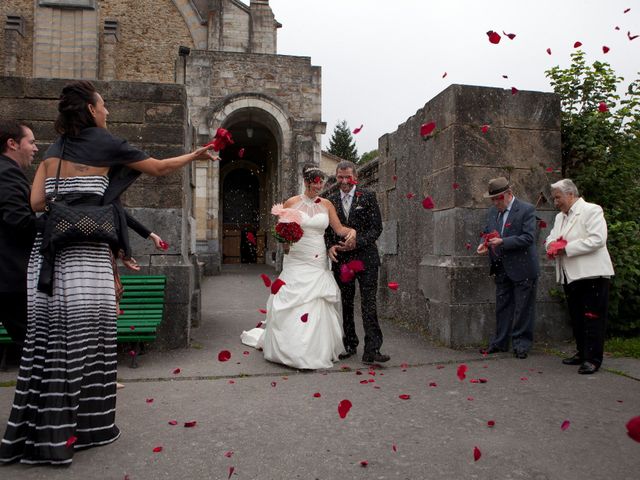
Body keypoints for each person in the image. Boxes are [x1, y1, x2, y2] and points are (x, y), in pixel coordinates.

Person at [0, 80, 216, 466]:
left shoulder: (52, 150)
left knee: (47, 346)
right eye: (103, 106)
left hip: (47, 262)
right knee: (88, 344)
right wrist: (195, 155)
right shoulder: (107, 143)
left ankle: (34, 437)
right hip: (86, 259)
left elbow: (36, 202)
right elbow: (159, 168)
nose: (107, 112)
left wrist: (66, 197)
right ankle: (86, 431)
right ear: (90, 110)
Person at [241, 165, 355, 370]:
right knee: (292, 298)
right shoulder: (292, 202)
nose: (317, 187)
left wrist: (352, 231)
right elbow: (281, 233)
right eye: (313, 183)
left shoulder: (327, 205)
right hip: (297, 256)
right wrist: (286, 239)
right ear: (305, 182)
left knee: (317, 301)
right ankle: (289, 348)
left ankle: (315, 349)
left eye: (320, 183)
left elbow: (338, 229)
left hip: (318, 257)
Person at [545, 179, 614, 375]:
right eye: (554, 198)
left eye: (558, 197)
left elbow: (598, 239)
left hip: (592, 273)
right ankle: (582, 352)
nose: (556, 201)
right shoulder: (560, 217)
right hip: (570, 275)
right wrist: (550, 246)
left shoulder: (591, 210)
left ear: (571, 194)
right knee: (576, 316)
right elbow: (551, 237)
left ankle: (593, 359)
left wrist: (565, 248)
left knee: (593, 317)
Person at [324, 160, 390, 365]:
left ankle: (372, 349)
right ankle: (350, 344)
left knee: (369, 304)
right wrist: (330, 247)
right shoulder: (330, 200)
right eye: (340, 177)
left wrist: (357, 241)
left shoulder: (368, 197)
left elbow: (376, 228)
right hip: (342, 261)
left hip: (366, 259)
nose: (344, 181)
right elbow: (326, 231)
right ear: (336, 177)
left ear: (356, 177)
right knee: (346, 303)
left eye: (348, 177)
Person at [477, 177, 539, 359]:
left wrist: (503, 241)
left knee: (523, 308)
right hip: (501, 266)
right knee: (502, 306)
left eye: (499, 198)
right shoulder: (492, 212)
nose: (496, 203)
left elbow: (528, 238)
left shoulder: (526, 210)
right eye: (493, 199)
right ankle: (500, 342)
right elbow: (487, 231)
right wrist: (484, 243)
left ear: (509, 194)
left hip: (523, 267)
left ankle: (521, 344)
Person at [0, 121, 38, 349]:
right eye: (31, 142)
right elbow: (19, 220)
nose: (35, 148)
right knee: (34, 344)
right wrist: (56, 224)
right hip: (10, 277)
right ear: (12, 144)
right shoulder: (7, 173)